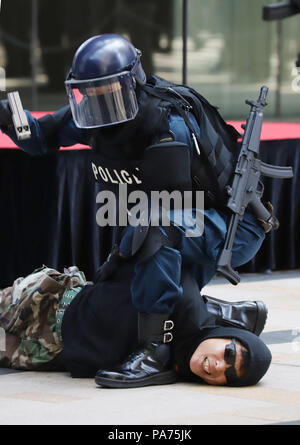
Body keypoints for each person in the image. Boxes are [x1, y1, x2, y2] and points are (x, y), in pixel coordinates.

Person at [0, 34, 269, 388]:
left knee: (155, 236)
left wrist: (117, 263)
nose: (95, 100)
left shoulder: (165, 126)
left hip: (231, 226)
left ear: (129, 84)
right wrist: (8, 113)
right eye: (88, 91)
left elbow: (162, 219)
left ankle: (153, 351)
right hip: (176, 218)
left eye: (104, 90)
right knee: (142, 263)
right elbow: (37, 137)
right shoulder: (97, 112)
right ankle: (224, 313)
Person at [0, 261, 271, 388]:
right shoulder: (185, 301)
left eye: (230, 375)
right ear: (226, 334)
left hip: (45, 351)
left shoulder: (171, 369)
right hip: (48, 301)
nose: (218, 365)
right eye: (229, 353)